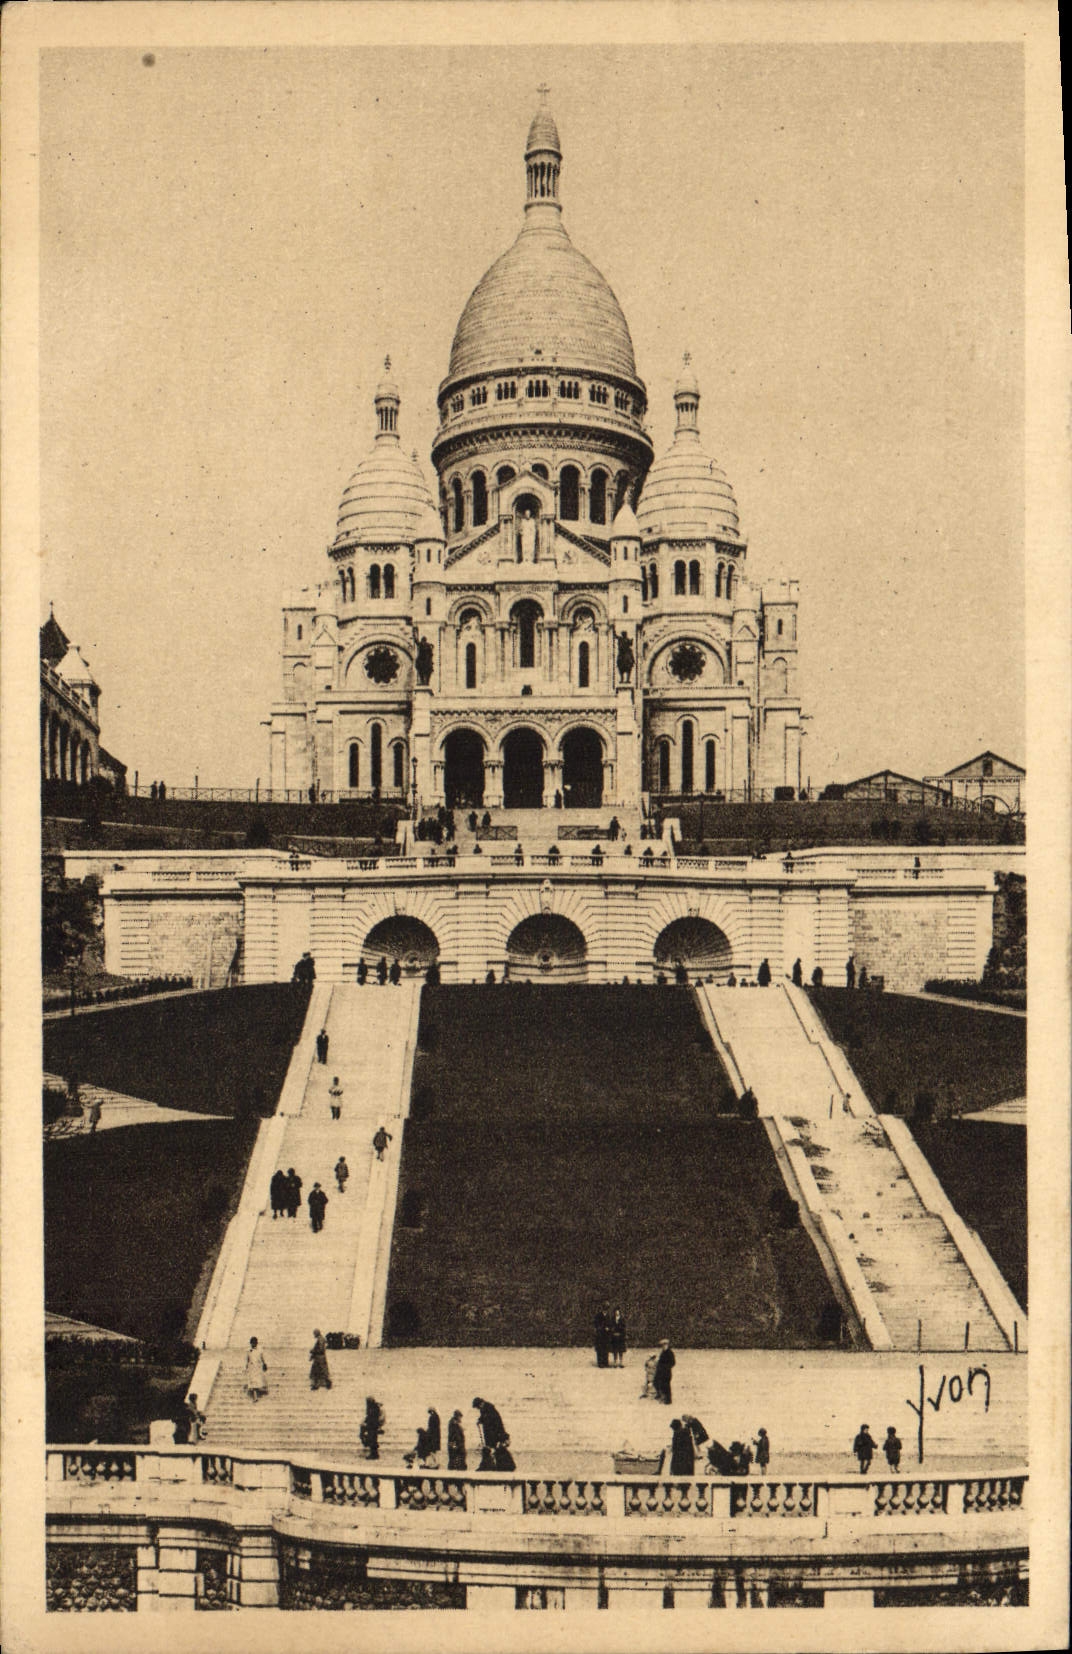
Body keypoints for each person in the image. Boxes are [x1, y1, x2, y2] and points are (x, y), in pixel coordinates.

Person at [473, 1397, 513, 1471]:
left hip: (495, 1434)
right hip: (492, 1434)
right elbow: (485, 1418)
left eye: (478, 1407)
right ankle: (494, 1466)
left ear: (480, 1404)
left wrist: (482, 1420)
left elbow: (494, 1422)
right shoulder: (485, 1409)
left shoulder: (489, 1409)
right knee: (494, 1450)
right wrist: (480, 1420)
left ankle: (494, 1466)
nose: (478, 1409)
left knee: (495, 1450)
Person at [244, 1336, 268, 1402]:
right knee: (253, 1383)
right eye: (252, 1343)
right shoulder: (248, 1350)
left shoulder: (260, 1350)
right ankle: (255, 1397)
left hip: (258, 1367)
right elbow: (247, 1359)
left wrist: (264, 1364)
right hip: (251, 1368)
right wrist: (246, 1366)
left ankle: (260, 1392)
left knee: (258, 1381)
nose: (253, 1344)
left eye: (255, 1343)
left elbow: (262, 1358)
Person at [653, 1340, 675, 1404]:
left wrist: (666, 1367)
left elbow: (673, 1362)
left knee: (666, 1386)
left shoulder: (669, 1352)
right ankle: (662, 1397)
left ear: (667, 1345)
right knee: (658, 1383)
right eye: (662, 1345)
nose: (663, 1346)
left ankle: (668, 1400)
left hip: (666, 1372)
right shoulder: (663, 1352)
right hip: (661, 1372)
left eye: (664, 1345)